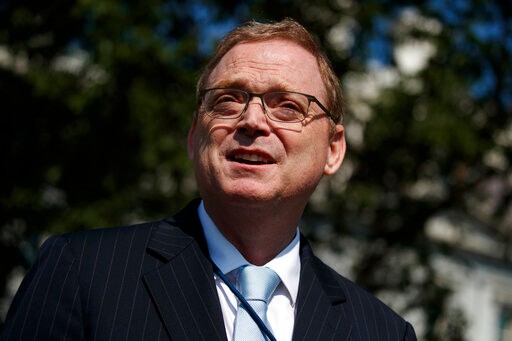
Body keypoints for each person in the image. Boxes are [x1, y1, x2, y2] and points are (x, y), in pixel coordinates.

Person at [1, 18, 416, 340]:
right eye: (227, 100)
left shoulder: (381, 332)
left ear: (333, 150)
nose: (252, 120)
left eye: (287, 106)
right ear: (194, 136)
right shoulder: (83, 273)